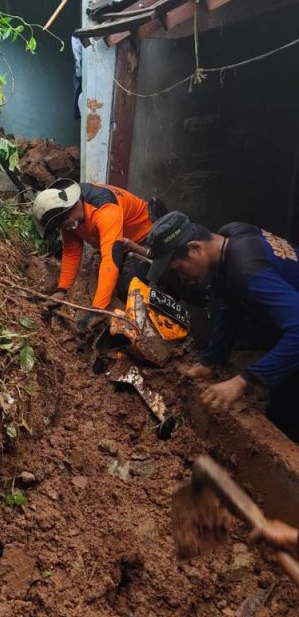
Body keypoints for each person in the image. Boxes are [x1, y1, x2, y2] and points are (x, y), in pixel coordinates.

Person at [146, 211, 299, 440]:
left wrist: (243, 380)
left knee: (288, 411)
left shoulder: (247, 269)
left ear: (195, 248)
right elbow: (232, 305)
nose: (183, 277)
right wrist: (212, 361)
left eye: (178, 268)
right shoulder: (233, 234)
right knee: (281, 402)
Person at [32, 178, 153, 331]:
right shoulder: (67, 217)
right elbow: (72, 251)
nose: (65, 228)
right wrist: (61, 290)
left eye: (64, 223)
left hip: (143, 239)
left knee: (129, 285)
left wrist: (97, 309)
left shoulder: (104, 209)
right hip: (118, 243)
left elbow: (111, 258)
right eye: (60, 226)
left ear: (71, 207)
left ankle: (146, 332)